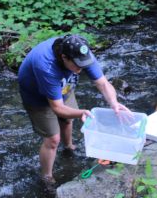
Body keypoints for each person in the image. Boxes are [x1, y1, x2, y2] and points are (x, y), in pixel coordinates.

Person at [18, 34, 130, 188]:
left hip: (64, 88)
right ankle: (47, 176)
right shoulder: (47, 66)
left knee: (68, 120)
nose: (80, 69)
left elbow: (103, 84)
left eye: (83, 65)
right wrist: (81, 113)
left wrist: (114, 103)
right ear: (64, 57)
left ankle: (69, 147)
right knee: (53, 139)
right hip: (36, 94)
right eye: (77, 65)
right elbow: (57, 108)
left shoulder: (81, 54)